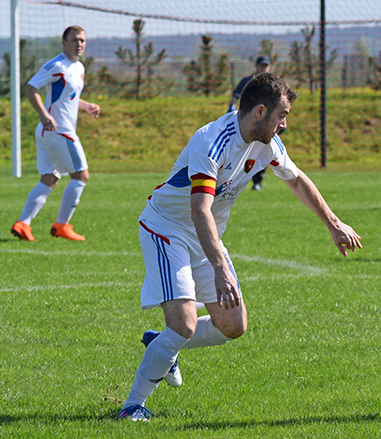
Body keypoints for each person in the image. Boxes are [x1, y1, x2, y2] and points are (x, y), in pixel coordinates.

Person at [118, 73, 363, 421]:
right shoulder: (212, 141)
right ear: (261, 112)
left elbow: (296, 180)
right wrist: (220, 270)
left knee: (232, 325)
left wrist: (334, 223)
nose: (285, 125)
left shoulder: (267, 145)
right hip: (167, 229)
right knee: (184, 325)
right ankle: (132, 406)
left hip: (208, 235)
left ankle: (160, 342)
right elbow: (199, 208)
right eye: (283, 115)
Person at [11, 26, 100, 242]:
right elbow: (31, 87)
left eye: (82, 40)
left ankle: (23, 224)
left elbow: (68, 97)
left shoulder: (78, 68)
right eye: (75, 40)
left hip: (51, 132)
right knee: (81, 176)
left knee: (49, 179)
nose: (79, 44)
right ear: (64, 42)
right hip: (58, 131)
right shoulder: (57, 65)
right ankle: (61, 225)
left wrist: (86, 105)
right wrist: (43, 115)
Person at [228, 55, 279, 191]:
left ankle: (257, 181)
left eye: (266, 65)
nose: (263, 68)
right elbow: (234, 99)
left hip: (265, 125)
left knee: (261, 153)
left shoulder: (273, 84)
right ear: (256, 66)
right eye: (261, 65)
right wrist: (231, 112)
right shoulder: (247, 81)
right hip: (245, 125)